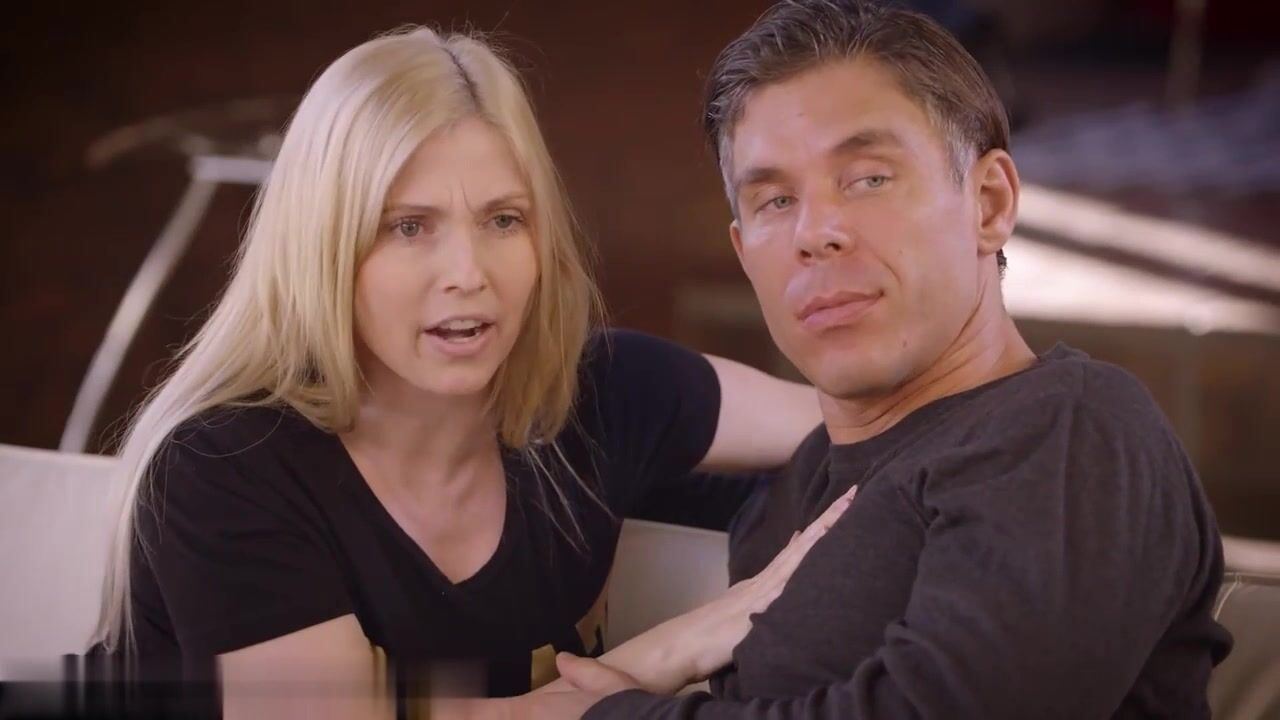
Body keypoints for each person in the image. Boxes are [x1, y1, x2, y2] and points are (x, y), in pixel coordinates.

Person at [86, 26, 844, 719]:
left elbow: (868, 416)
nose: (468, 273)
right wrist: (665, 653)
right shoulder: (222, 466)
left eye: (502, 220)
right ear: (323, 247)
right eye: (408, 227)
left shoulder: (600, 390)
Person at [555, 1, 1233, 717]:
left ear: (988, 203)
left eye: (868, 178)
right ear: (744, 253)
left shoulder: (1070, 428)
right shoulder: (800, 487)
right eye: (775, 201)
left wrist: (604, 713)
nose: (815, 232)